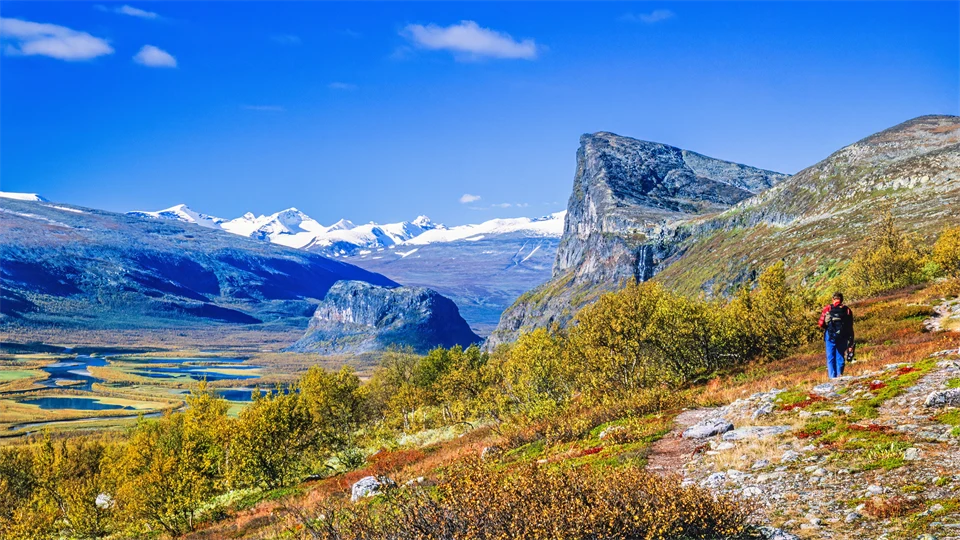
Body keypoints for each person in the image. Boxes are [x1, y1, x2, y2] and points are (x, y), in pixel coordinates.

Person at [818, 292, 854, 378]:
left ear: (833, 299)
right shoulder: (847, 310)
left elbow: (820, 323)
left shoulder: (827, 308)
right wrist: (851, 340)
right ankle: (839, 375)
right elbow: (850, 325)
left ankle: (832, 377)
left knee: (830, 357)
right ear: (842, 299)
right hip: (843, 335)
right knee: (840, 355)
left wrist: (827, 327)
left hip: (830, 335)